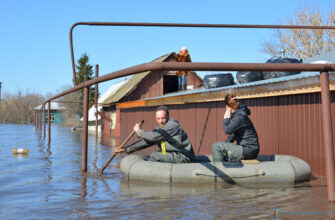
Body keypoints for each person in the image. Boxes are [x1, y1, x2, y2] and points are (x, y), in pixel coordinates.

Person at [115, 106, 195, 163]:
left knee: (155, 155)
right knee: (157, 153)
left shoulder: (172, 125)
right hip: (173, 154)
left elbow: (155, 137)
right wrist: (126, 149)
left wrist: (139, 132)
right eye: (158, 119)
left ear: (168, 116)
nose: (161, 121)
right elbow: (146, 142)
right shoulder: (159, 130)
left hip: (183, 156)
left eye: (163, 118)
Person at [212, 94, 260, 162]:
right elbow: (232, 135)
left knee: (216, 146)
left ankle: (217, 171)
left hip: (248, 149)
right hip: (248, 149)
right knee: (222, 148)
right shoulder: (239, 114)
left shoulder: (239, 116)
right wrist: (225, 147)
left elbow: (227, 130)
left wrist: (226, 118)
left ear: (228, 107)